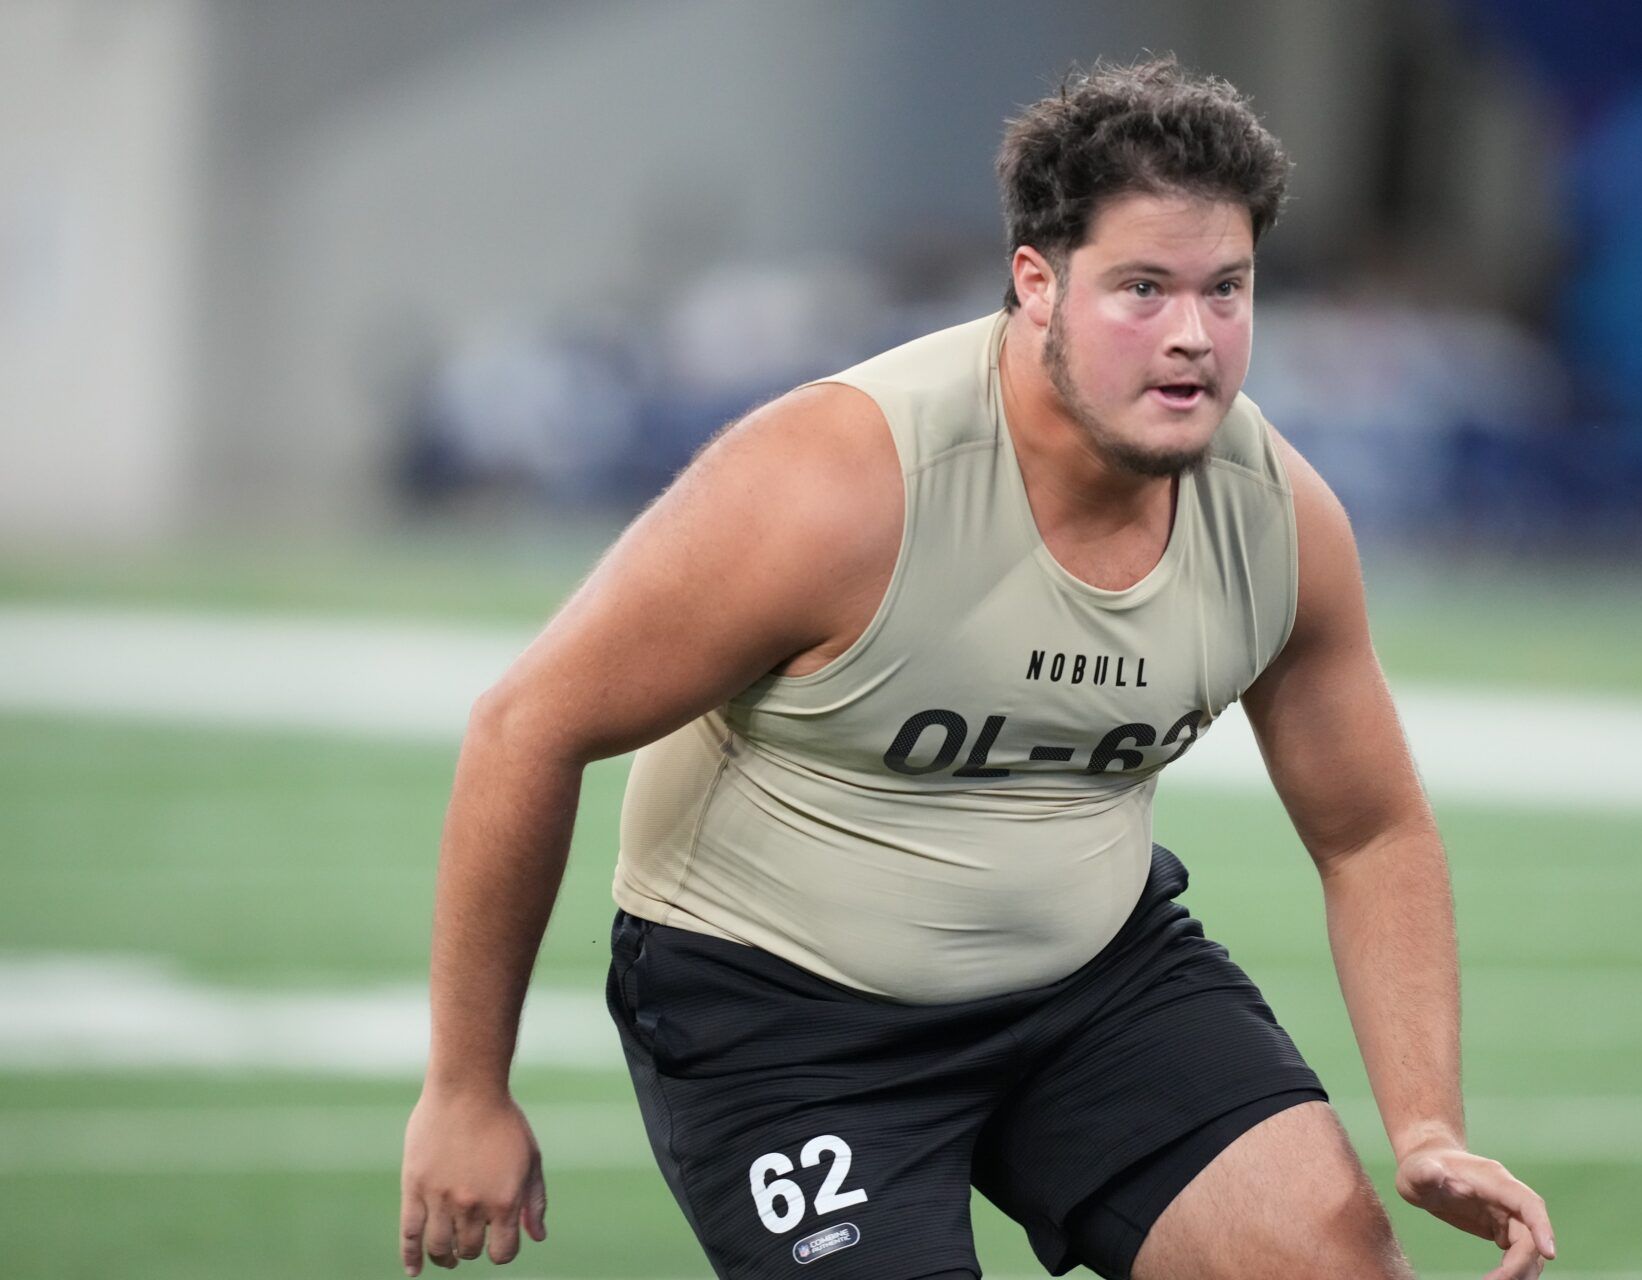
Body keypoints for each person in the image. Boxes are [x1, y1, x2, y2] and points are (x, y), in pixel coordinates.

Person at [400, 56, 1557, 1280]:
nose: (1192, 337)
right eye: (1143, 288)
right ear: (1037, 286)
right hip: (786, 1020)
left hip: (1094, 989)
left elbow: (1372, 830)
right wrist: (466, 1088)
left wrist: (1426, 1122)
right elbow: (524, 725)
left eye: (1227, 290)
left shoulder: (1276, 517)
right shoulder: (837, 486)